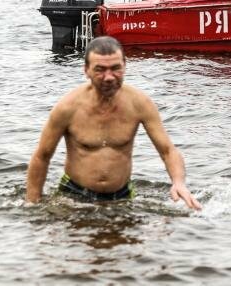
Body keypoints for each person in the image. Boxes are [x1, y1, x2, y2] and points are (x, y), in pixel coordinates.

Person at [26, 36, 201, 209]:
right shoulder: (67, 107)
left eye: (115, 68)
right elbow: (42, 156)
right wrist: (32, 203)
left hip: (122, 195)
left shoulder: (139, 103)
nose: (109, 77)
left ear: (125, 66)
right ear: (86, 70)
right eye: (100, 69)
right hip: (74, 193)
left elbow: (168, 150)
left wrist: (178, 182)